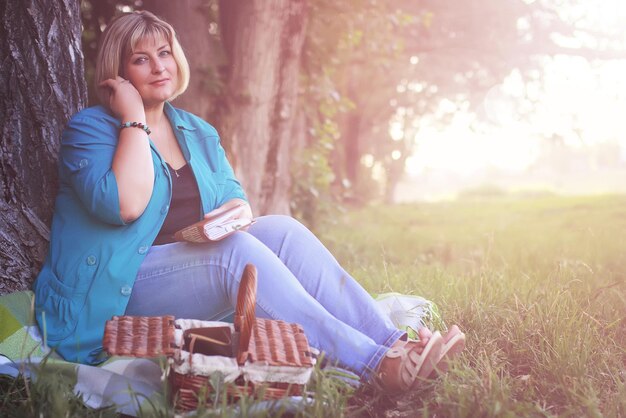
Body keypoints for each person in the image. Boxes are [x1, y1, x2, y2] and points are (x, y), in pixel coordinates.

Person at [33, 10, 465, 393]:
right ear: (119, 72)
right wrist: (132, 118)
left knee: (283, 230)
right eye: (141, 59)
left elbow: (232, 198)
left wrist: (235, 213)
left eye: (164, 53)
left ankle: (394, 343)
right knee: (233, 253)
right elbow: (124, 205)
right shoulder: (90, 130)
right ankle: (377, 367)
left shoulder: (194, 130)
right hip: (116, 289)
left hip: (186, 274)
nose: (159, 66)